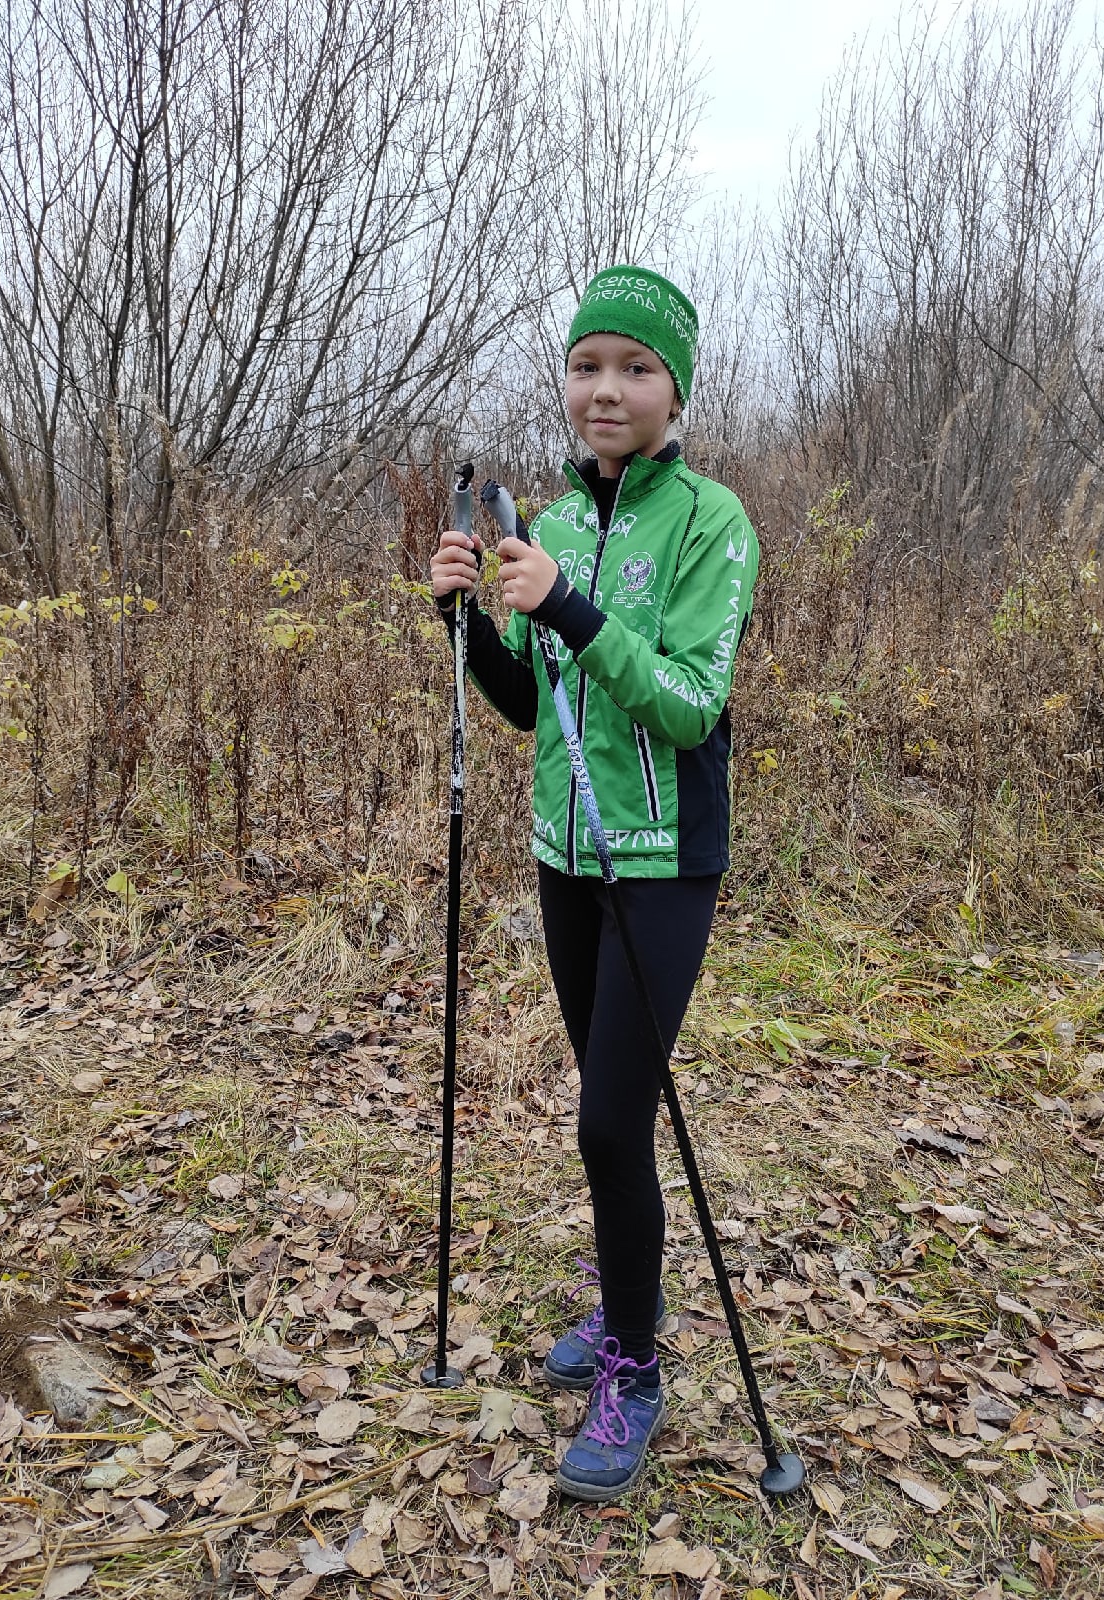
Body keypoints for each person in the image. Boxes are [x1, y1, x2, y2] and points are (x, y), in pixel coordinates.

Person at [429, 264, 760, 1502]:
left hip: (663, 862)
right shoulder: (555, 523)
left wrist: (566, 605)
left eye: (635, 367)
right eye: (586, 366)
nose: (605, 390)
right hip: (565, 856)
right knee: (609, 1105)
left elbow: (688, 703)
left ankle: (635, 1368)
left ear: (677, 387)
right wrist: (465, 620)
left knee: (610, 1121)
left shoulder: (713, 523)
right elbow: (530, 705)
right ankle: (635, 1292)